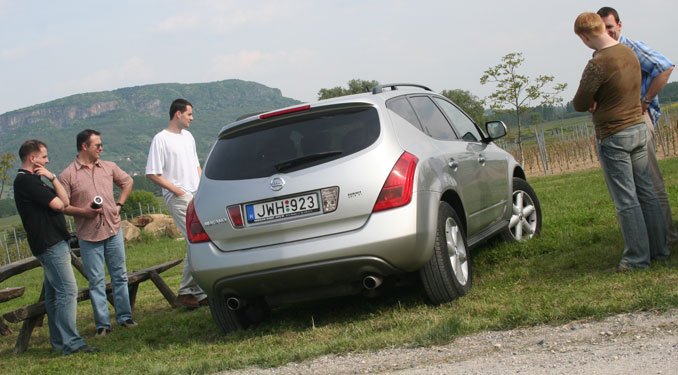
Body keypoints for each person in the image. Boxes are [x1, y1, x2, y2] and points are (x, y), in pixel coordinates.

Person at [572, 12, 668, 271]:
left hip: (614, 133)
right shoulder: (628, 52)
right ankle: (660, 249)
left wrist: (594, 99)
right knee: (646, 192)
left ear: (584, 35)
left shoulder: (598, 63)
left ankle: (636, 259)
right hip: (637, 126)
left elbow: (580, 102)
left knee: (626, 199)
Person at [597, 6, 677, 246]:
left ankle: (667, 236)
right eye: (602, 29)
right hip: (621, 123)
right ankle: (652, 238)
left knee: (651, 181)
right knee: (637, 186)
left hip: (638, 119)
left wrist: (646, 99)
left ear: (619, 25)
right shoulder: (605, 53)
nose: (607, 32)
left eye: (610, 27)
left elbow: (665, 67)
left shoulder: (631, 48)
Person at [13, 140, 97, 354]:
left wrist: (49, 178)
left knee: (53, 295)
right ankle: (72, 343)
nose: (47, 160)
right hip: (50, 243)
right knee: (68, 291)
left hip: (50, 242)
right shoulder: (27, 182)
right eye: (44, 157)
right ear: (33, 159)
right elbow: (61, 204)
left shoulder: (32, 180)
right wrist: (52, 177)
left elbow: (65, 201)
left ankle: (60, 342)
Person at [59, 129, 137, 336]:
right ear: (85, 147)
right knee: (96, 281)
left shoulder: (109, 166)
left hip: (113, 229)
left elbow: (128, 181)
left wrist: (119, 204)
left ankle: (125, 317)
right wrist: (84, 212)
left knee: (120, 275)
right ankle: (102, 325)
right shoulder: (67, 175)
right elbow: (63, 205)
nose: (101, 148)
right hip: (88, 235)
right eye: (97, 145)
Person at [145, 99, 207, 308]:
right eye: (189, 114)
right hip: (179, 197)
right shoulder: (160, 139)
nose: (192, 118)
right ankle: (186, 292)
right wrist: (176, 190)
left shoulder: (188, 137)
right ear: (178, 114)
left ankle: (197, 292)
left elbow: (196, 165)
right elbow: (152, 173)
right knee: (195, 240)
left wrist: (204, 187)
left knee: (200, 241)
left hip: (196, 194)